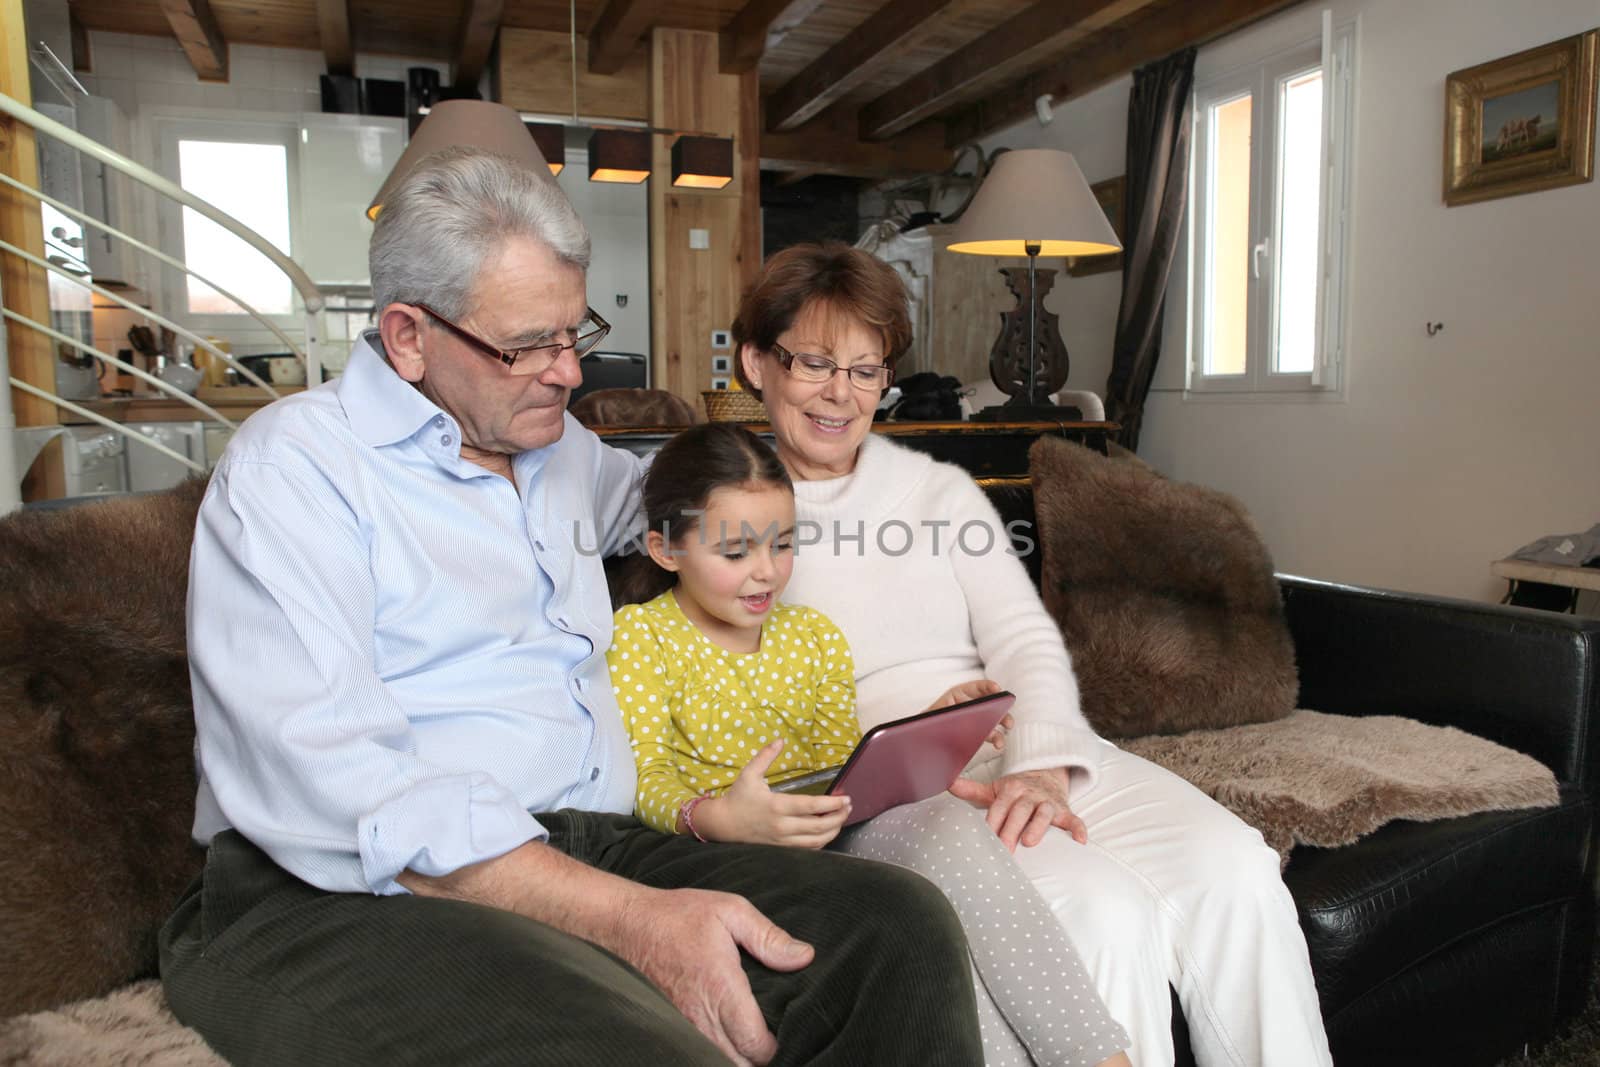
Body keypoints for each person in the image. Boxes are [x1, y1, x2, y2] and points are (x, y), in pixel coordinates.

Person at [160, 150, 984, 1067]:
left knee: (894, 928)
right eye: (528, 345)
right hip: (341, 889)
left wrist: (806, 414)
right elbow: (345, 786)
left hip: (587, 841)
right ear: (407, 336)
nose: (566, 373)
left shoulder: (556, 449)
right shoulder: (297, 469)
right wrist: (635, 919)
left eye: (574, 332)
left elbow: (696, 513)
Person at [732, 241, 1336, 1067]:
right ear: (755, 362)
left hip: (1019, 744)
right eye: (814, 362)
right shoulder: (724, 518)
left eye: (866, 370)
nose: (842, 392)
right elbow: (729, 704)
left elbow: (1026, 641)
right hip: (899, 795)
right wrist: (914, 734)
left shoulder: (937, 490)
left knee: (1237, 867)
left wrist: (1042, 761)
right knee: (1101, 912)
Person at [608, 421, 1132, 1067]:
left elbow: (841, 766)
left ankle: (1098, 1057)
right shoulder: (641, 637)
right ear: (666, 550)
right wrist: (718, 815)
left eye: (782, 543)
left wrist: (924, 732)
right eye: (736, 551)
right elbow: (645, 778)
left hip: (834, 828)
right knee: (922, 916)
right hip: (734, 851)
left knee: (942, 827)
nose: (766, 571)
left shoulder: (813, 635)